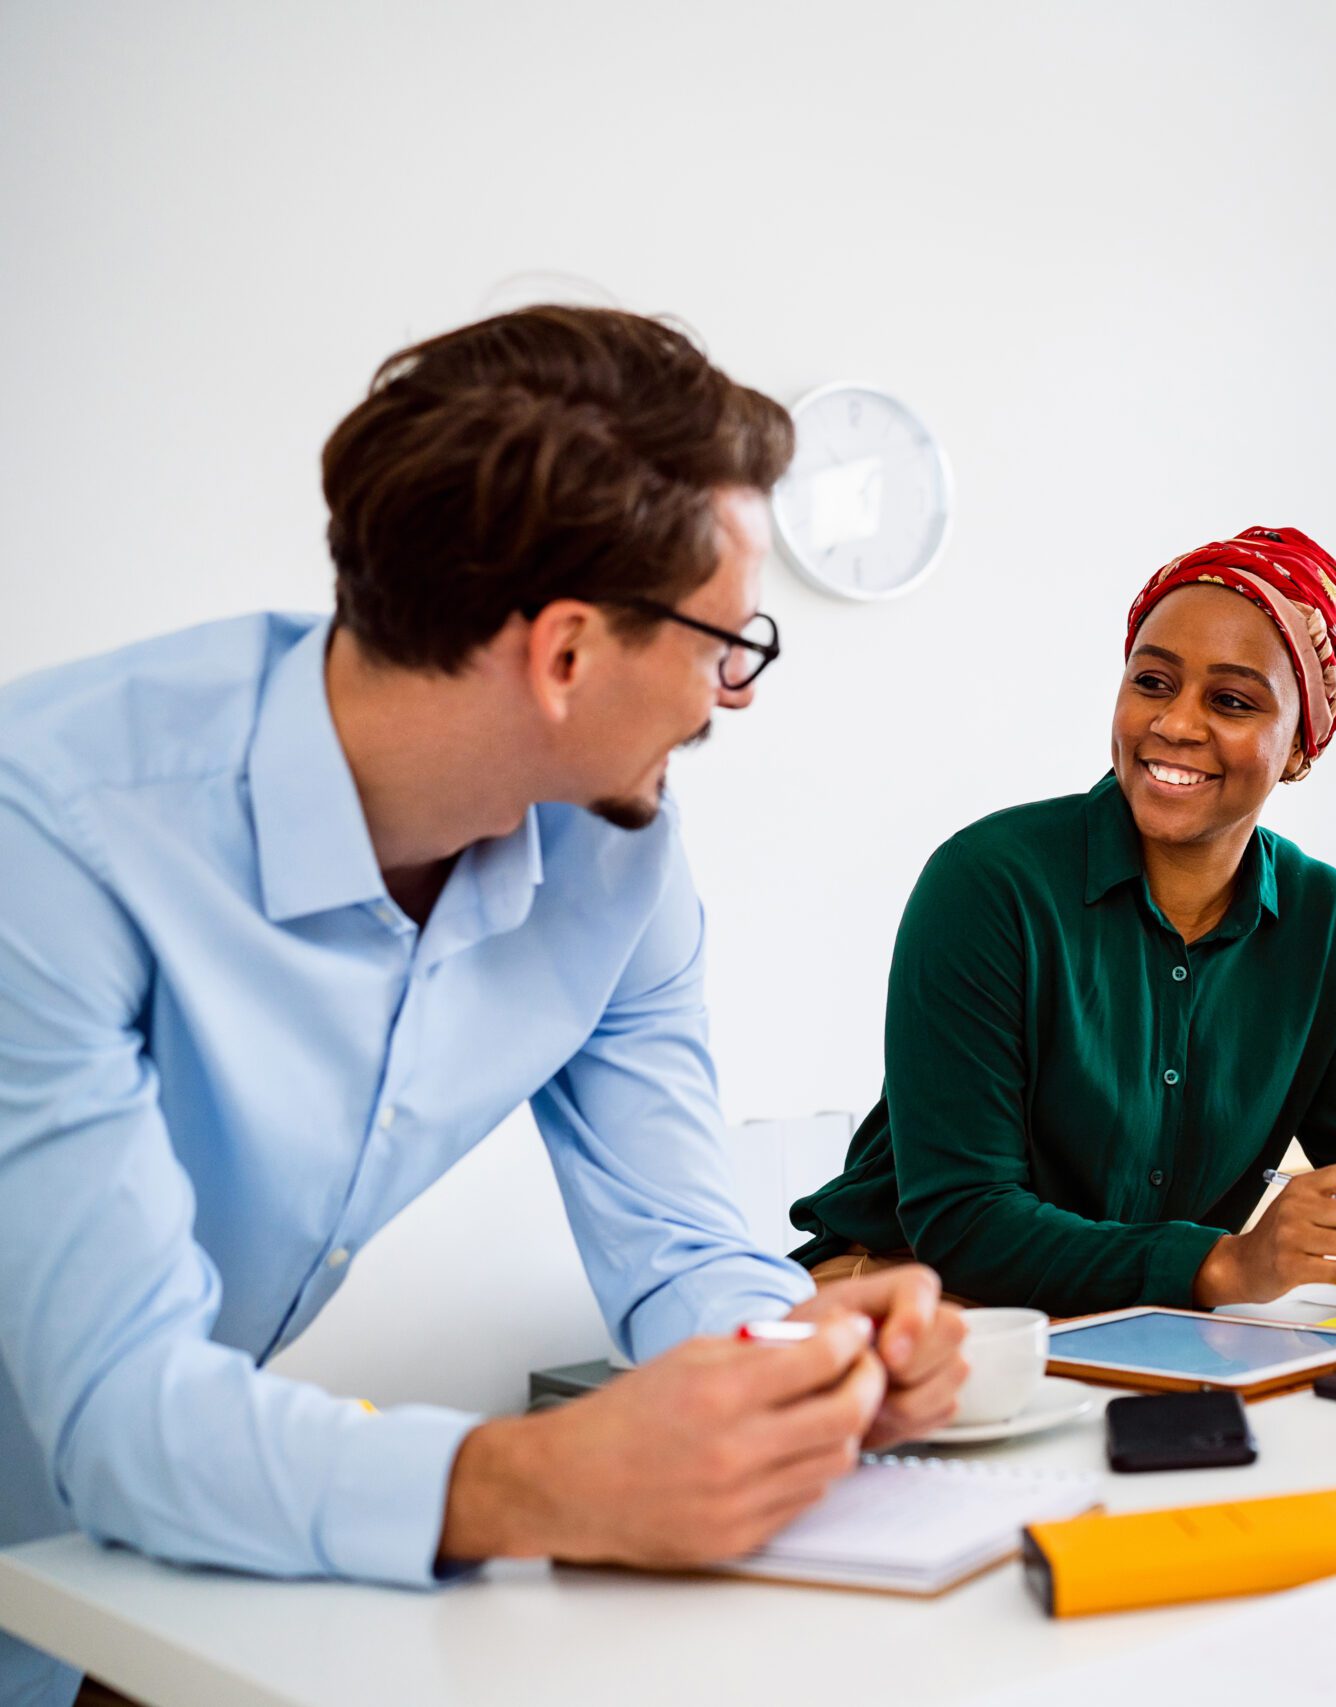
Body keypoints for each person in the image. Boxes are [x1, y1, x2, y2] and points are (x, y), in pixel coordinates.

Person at [0, 307, 965, 1707]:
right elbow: (122, 1412)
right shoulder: (56, 832)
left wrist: (808, 1366)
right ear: (566, 653)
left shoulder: (618, 852)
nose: (733, 693)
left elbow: (681, 1239)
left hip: (135, 1562)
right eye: (723, 641)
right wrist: (534, 1477)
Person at [789, 527, 1336, 1318]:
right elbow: (964, 1217)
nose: (1176, 724)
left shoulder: (1329, 925)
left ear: (1299, 750)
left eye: (1231, 700)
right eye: (1153, 682)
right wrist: (1219, 1263)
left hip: (1129, 1326)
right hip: (909, 1299)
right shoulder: (987, 883)